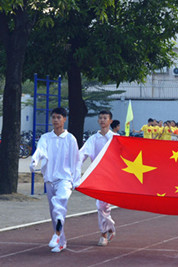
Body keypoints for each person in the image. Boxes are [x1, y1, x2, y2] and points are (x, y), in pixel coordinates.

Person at [29, 107, 81, 253]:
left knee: (59, 204)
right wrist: (34, 162)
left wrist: (75, 180)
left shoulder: (70, 139)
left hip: (65, 179)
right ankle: (61, 241)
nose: (56, 120)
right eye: (54, 117)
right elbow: (40, 151)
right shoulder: (46, 138)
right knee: (54, 212)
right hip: (50, 180)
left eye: (59, 117)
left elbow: (76, 161)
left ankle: (57, 234)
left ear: (64, 119)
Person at [79, 110, 117, 246]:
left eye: (105, 118)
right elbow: (81, 155)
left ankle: (108, 230)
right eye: (100, 118)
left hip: (112, 177)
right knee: (101, 205)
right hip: (98, 176)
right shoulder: (93, 139)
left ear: (110, 121)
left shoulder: (116, 138)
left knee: (103, 206)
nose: (102, 120)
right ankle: (105, 232)